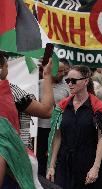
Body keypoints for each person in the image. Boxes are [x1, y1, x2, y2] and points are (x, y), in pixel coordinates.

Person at [46, 65, 102, 189]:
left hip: (87, 163)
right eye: (68, 80)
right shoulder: (62, 107)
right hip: (65, 164)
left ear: (86, 81)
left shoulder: (97, 108)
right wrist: (51, 166)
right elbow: (58, 136)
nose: (69, 84)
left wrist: (95, 167)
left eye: (73, 81)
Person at [0, 51, 54, 188]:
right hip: (15, 162)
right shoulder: (11, 92)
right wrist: (47, 75)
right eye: (7, 64)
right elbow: (47, 111)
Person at [37, 61, 70, 177]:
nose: (63, 73)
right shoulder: (39, 84)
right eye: (60, 71)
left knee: (52, 161)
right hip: (38, 130)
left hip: (56, 130)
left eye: (64, 71)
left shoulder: (67, 88)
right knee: (38, 161)